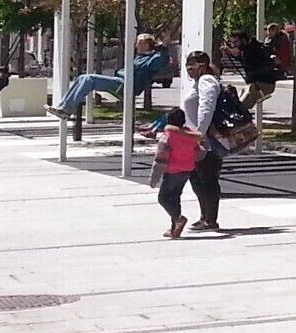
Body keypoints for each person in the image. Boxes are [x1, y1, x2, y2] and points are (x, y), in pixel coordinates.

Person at [57, 35, 170, 139]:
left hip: (125, 85)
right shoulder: (139, 57)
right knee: (82, 77)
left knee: (89, 79)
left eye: (139, 43)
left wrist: (164, 46)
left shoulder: (153, 58)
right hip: (120, 81)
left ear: (147, 45)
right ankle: (63, 106)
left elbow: (163, 61)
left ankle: (67, 109)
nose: (136, 45)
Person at [179, 50, 227, 231]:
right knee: (197, 178)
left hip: (207, 140)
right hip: (197, 139)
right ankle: (204, 216)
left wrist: (200, 132)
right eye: (187, 66)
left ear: (203, 66)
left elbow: (207, 106)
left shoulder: (206, 80)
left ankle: (211, 219)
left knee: (208, 178)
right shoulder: (199, 82)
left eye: (192, 65)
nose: (188, 69)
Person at [152, 106, 199, 239]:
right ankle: (175, 229)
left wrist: (154, 177)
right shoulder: (190, 134)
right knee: (175, 198)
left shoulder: (168, 136)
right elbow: (198, 149)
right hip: (186, 169)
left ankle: (178, 218)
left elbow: (160, 158)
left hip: (172, 171)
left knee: (163, 198)